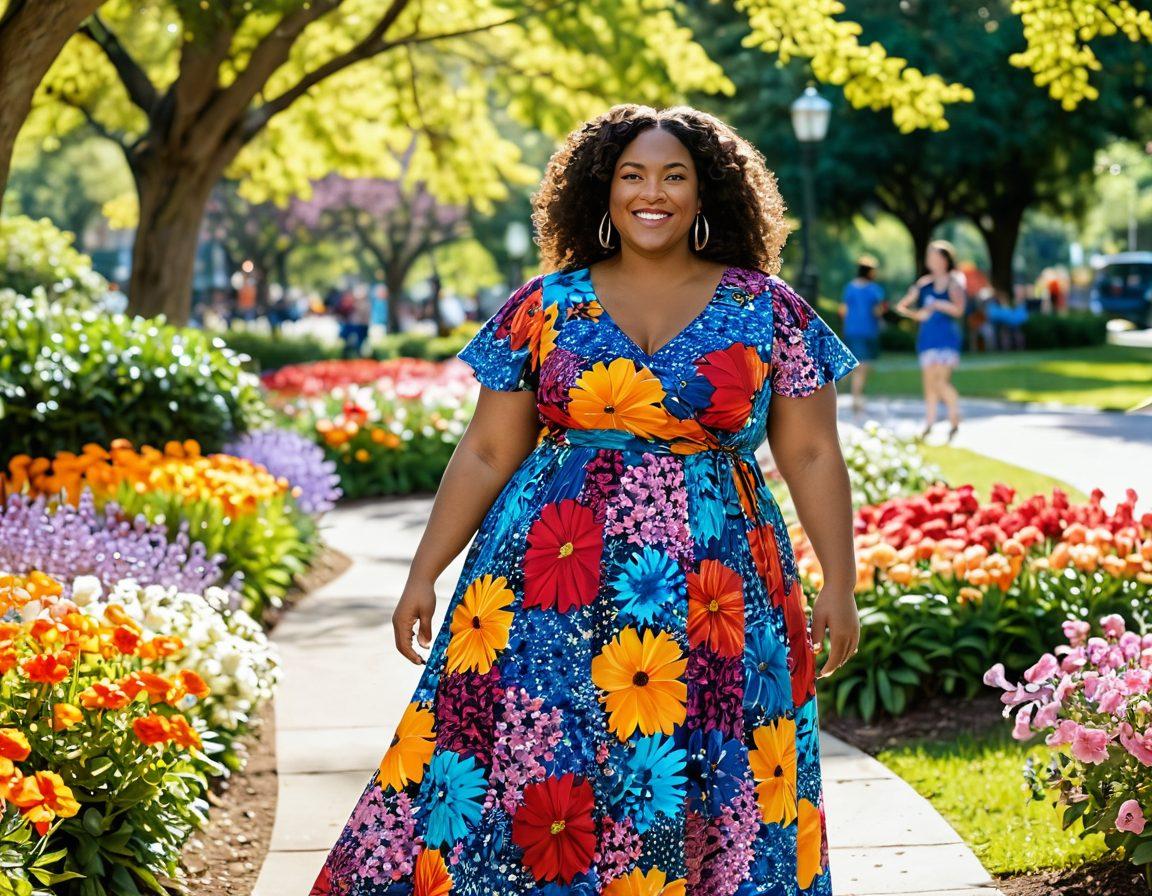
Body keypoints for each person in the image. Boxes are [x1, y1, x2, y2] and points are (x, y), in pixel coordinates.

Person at [310, 104, 861, 896]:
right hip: (547, 585)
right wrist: (422, 572)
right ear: (603, 191)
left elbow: (810, 451)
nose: (653, 193)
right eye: (632, 175)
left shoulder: (766, 308)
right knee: (542, 770)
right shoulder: (548, 304)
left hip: (718, 592)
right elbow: (489, 449)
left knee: (708, 768)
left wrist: (839, 581)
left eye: (676, 176)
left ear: (706, 195)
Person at [894, 239, 966, 441]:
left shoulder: (954, 282)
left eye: (934, 256)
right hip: (927, 340)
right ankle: (930, 423)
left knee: (941, 382)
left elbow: (959, 309)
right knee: (929, 384)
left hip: (947, 340)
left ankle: (954, 418)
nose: (930, 260)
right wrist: (918, 315)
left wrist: (939, 305)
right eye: (929, 256)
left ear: (945, 259)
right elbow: (902, 307)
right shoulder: (923, 284)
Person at [837, 254, 886, 416]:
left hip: (851, 330)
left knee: (855, 362)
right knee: (863, 367)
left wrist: (846, 325)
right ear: (871, 272)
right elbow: (877, 310)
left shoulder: (850, 287)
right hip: (867, 331)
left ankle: (845, 378)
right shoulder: (874, 289)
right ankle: (856, 399)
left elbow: (843, 310)